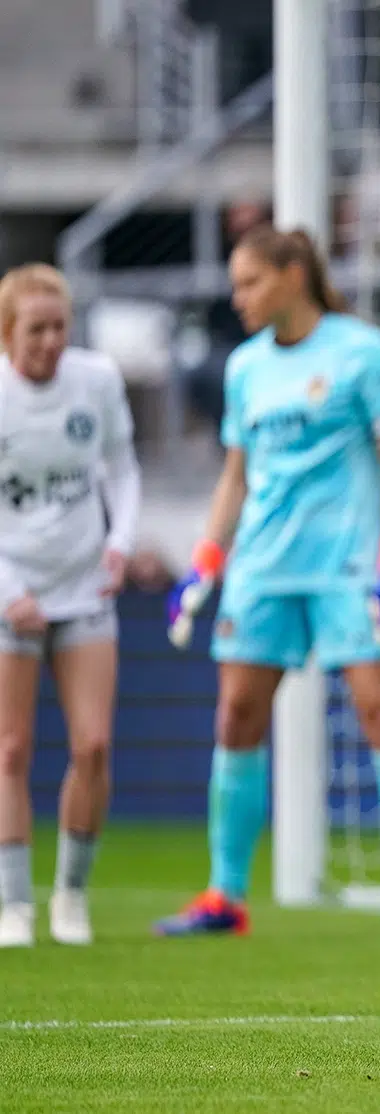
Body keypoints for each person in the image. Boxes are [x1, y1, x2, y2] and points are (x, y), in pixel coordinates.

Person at [153, 226, 380, 939]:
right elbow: (236, 475)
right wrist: (206, 560)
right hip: (263, 566)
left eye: (250, 282)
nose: (238, 298)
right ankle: (224, 897)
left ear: (294, 275)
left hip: (348, 565)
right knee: (236, 718)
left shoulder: (362, 352)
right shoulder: (244, 367)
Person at [0, 264, 141, 947]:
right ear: (7, 334)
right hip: (12, 592)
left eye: (60, 326)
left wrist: (119, 541)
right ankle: (14, 903)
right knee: (10, 748)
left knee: (93, 745)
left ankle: (71, 895)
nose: (52, 341)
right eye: (36, 329)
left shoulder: (97, 381)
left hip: (84, 584)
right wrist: (8, 591)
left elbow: (123, 465)